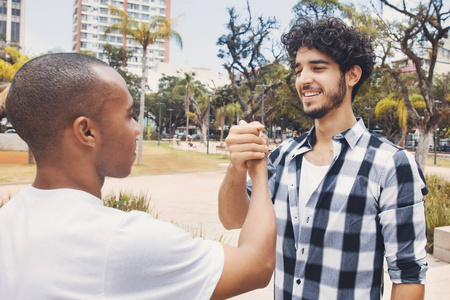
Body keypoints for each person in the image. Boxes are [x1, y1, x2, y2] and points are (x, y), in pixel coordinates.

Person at [0, 53, 276, 299]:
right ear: (86, 131)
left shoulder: (8, 220)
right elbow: (256, 265)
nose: (137, 129)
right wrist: (258, 170)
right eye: (129, 115)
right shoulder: (120, 240)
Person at [218, 17, 428, 300]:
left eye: (318, 67)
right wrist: (237, 166)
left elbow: (408, 276)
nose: (304, 79)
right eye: (298, 70)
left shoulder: (390, 164)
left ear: (352, 75)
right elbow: (233, 219)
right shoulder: (282, 157)